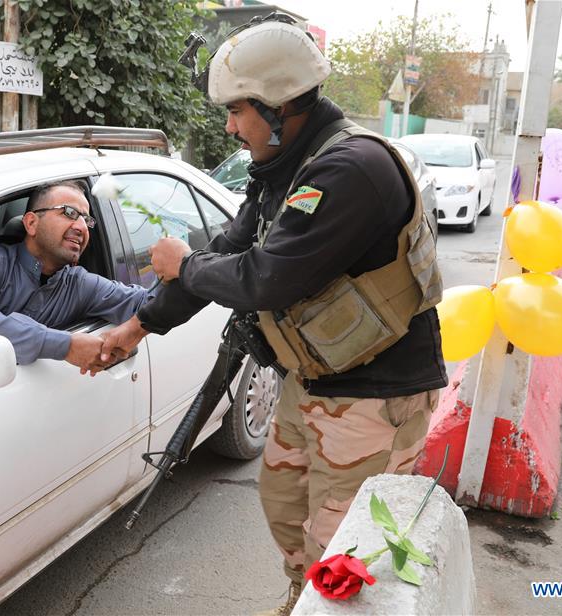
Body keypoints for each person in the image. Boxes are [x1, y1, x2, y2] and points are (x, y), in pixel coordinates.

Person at [100, 14, 447, 614]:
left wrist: (182, 266)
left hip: (374, 396)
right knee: (285, 506)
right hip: (310, 382)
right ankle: (304, 599)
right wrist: (138, 327)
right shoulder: (287, 169)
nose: (232, 128)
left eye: (238, 111)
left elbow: (266, 277)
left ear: (282, 106)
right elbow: (232, 250)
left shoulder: (349, 169)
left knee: (352, 554)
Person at [0, 179, 150, 375]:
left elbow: (147, 303)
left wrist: (181, 268)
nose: (81, 227)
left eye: (86, 220)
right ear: (31, 223)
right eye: (69, 212)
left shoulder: (80, 284)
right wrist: (65, 346)